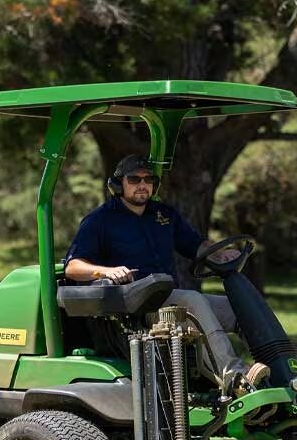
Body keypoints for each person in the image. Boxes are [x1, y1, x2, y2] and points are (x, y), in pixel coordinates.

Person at [63, 154, 265, 391]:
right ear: (118, 184)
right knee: (192, 301)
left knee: (242, 306)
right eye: (134, 179)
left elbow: (196, 245)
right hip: (136, 310)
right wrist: (106, 271)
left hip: (169, 298)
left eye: (148, 179)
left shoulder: (164, 215)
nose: (142, 184)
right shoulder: (99, 220)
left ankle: (280, 373)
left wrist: (220, 254)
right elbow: (73, 267)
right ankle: (236, 380)